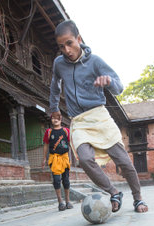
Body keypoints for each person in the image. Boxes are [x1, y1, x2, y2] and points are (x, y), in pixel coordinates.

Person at [49, 20, 148, 213]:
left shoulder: (95, 61)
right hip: (78, 120)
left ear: (78, 39)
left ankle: (138, 199)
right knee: (85, 159)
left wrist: (108, 81)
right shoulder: (59, 63)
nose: (66, 50)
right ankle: (114, 192)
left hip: (99, 116)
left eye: (69, 43)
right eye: (61, 47)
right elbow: (54, 86)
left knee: (124, 162)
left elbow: (119, 87)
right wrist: (54, 108)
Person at [42, 114, 73, 211]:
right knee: (56, 180)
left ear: (61, 119)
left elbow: (70, 144)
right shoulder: (49, 132)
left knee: (66, 180)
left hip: (65, 157)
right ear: (51, 120)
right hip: (54, 158)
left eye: (57, 118)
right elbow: (46, 145)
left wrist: (71, 157)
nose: (55, 120)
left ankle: (68, 200)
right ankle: (60, 201)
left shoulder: (66, 131)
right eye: (53, 118)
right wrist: (44, 158)